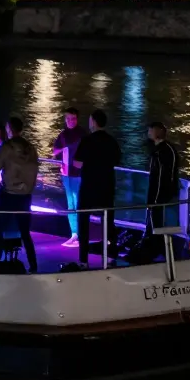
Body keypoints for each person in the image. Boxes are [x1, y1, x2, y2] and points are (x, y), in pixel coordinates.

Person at [0, 117, 39, 273]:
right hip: (25, 195)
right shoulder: (31, 148)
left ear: (9, 129)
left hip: (8, 194)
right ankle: (33, 264)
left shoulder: (6, 147)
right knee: (25, 232)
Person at [73, 109, 122, 267]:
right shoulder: (111, 141)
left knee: (83, 221)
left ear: (93, 122)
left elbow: (77, 163)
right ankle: (111, 256)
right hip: (107, 185)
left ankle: (83, 260)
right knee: (108, 221)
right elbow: (117, 161)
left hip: (89, 186)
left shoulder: (87, 140)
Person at [51, 107, 89, 248]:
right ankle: (74, 234)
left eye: (72, 118)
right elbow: (55, 151)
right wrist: (64, 149)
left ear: (76, 119)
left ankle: (80, 234)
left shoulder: (83, 134)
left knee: (79, 203)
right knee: (71, 204)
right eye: (67, 118)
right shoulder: (63, 135)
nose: (70, 121)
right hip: (66, 173)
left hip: (79, 173)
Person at [144, 121, 180, 237]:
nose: (148, 132)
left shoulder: (161, 152)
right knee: (155, 220)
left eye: (150, 130)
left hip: (161, 196)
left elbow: (160, 177)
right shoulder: (164, 149)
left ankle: (154, 242)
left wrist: (153, 199)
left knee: (157, 221)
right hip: (162, 195)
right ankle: (152, 240)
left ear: (156, 132)